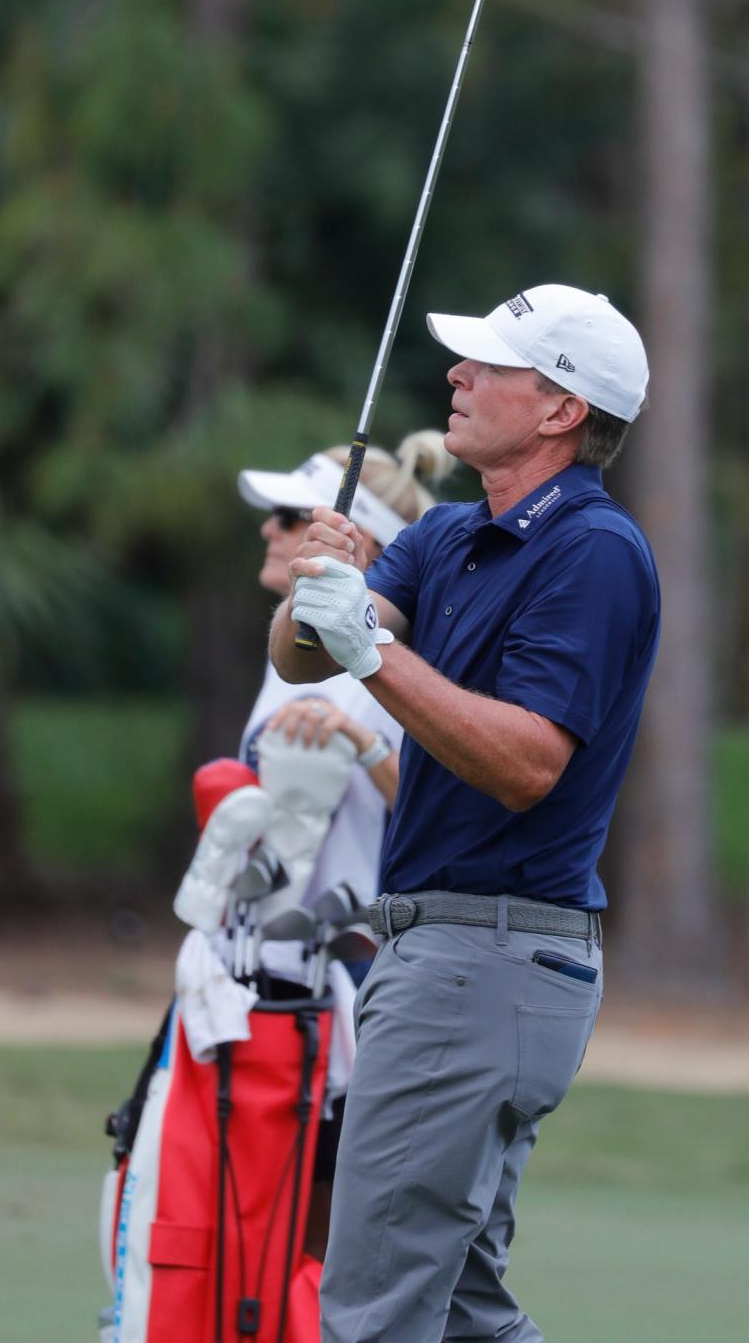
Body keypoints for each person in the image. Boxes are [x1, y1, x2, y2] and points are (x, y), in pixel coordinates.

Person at [270, 283, 661, 1341]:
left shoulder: (592, 552)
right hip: (459, 961)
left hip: (482, 961)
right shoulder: (447, 537)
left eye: (489, 362)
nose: (458, 373)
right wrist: (315, 585)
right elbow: (304, 652)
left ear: (559, 410)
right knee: (461, 1310)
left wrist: (371, 647)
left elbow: (529, 761)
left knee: (377, 1309)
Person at [236, 429, 454, 1256]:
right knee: (270, 1220)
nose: (270, 529)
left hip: (356, 974)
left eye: (291, 517)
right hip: (276, 965)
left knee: (325, 1234)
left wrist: (360, 745)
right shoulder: (290, 654)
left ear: (350, 542)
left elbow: (437, 804)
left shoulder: (382, 662)